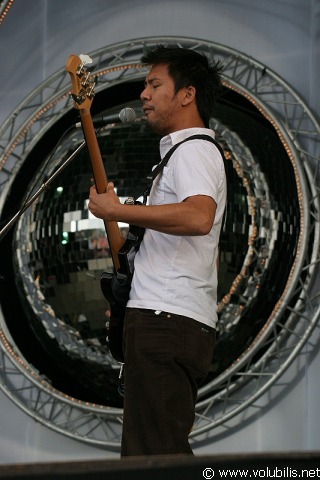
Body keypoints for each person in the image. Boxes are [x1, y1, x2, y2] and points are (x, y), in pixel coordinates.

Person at [88, 45, 227, 456]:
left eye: (154, 84)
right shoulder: (182, 154)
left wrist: (119, 208)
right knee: (147, 451)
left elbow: (199, 216)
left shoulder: (194, 150)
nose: (143, 95)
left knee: (154, 456)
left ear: (188, 94)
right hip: (164, 317)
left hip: (167, 321)